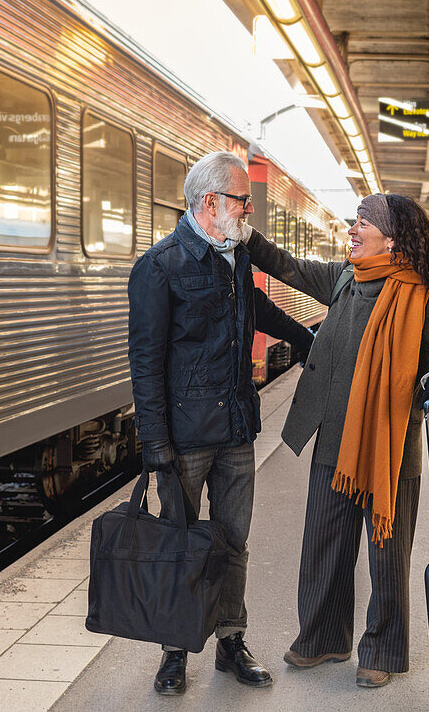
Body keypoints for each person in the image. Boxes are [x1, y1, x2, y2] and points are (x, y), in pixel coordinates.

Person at [242, 193, 429, 689]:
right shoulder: (344, 279)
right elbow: (289, 267)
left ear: (392, 238)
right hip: (334, 441)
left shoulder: (421, 296)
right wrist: (246, 235)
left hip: (387, 450)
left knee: (387, 555)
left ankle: (381, 649)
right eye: (354, 220)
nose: (353, 229)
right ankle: (323, 637)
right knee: (323, 542)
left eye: (364, 223)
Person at [127, 150, 315, 695]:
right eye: (241, 200)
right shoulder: (159, 266)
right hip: (184, 437)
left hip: (234, 430)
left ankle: (231, 641)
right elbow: (146, 363)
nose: (247, 211)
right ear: (210, 202)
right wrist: (153, 443)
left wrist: (309, 340)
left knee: (233, 542)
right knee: (182, 544)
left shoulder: (233, 257)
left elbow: (257, 309)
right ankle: (175, 650)